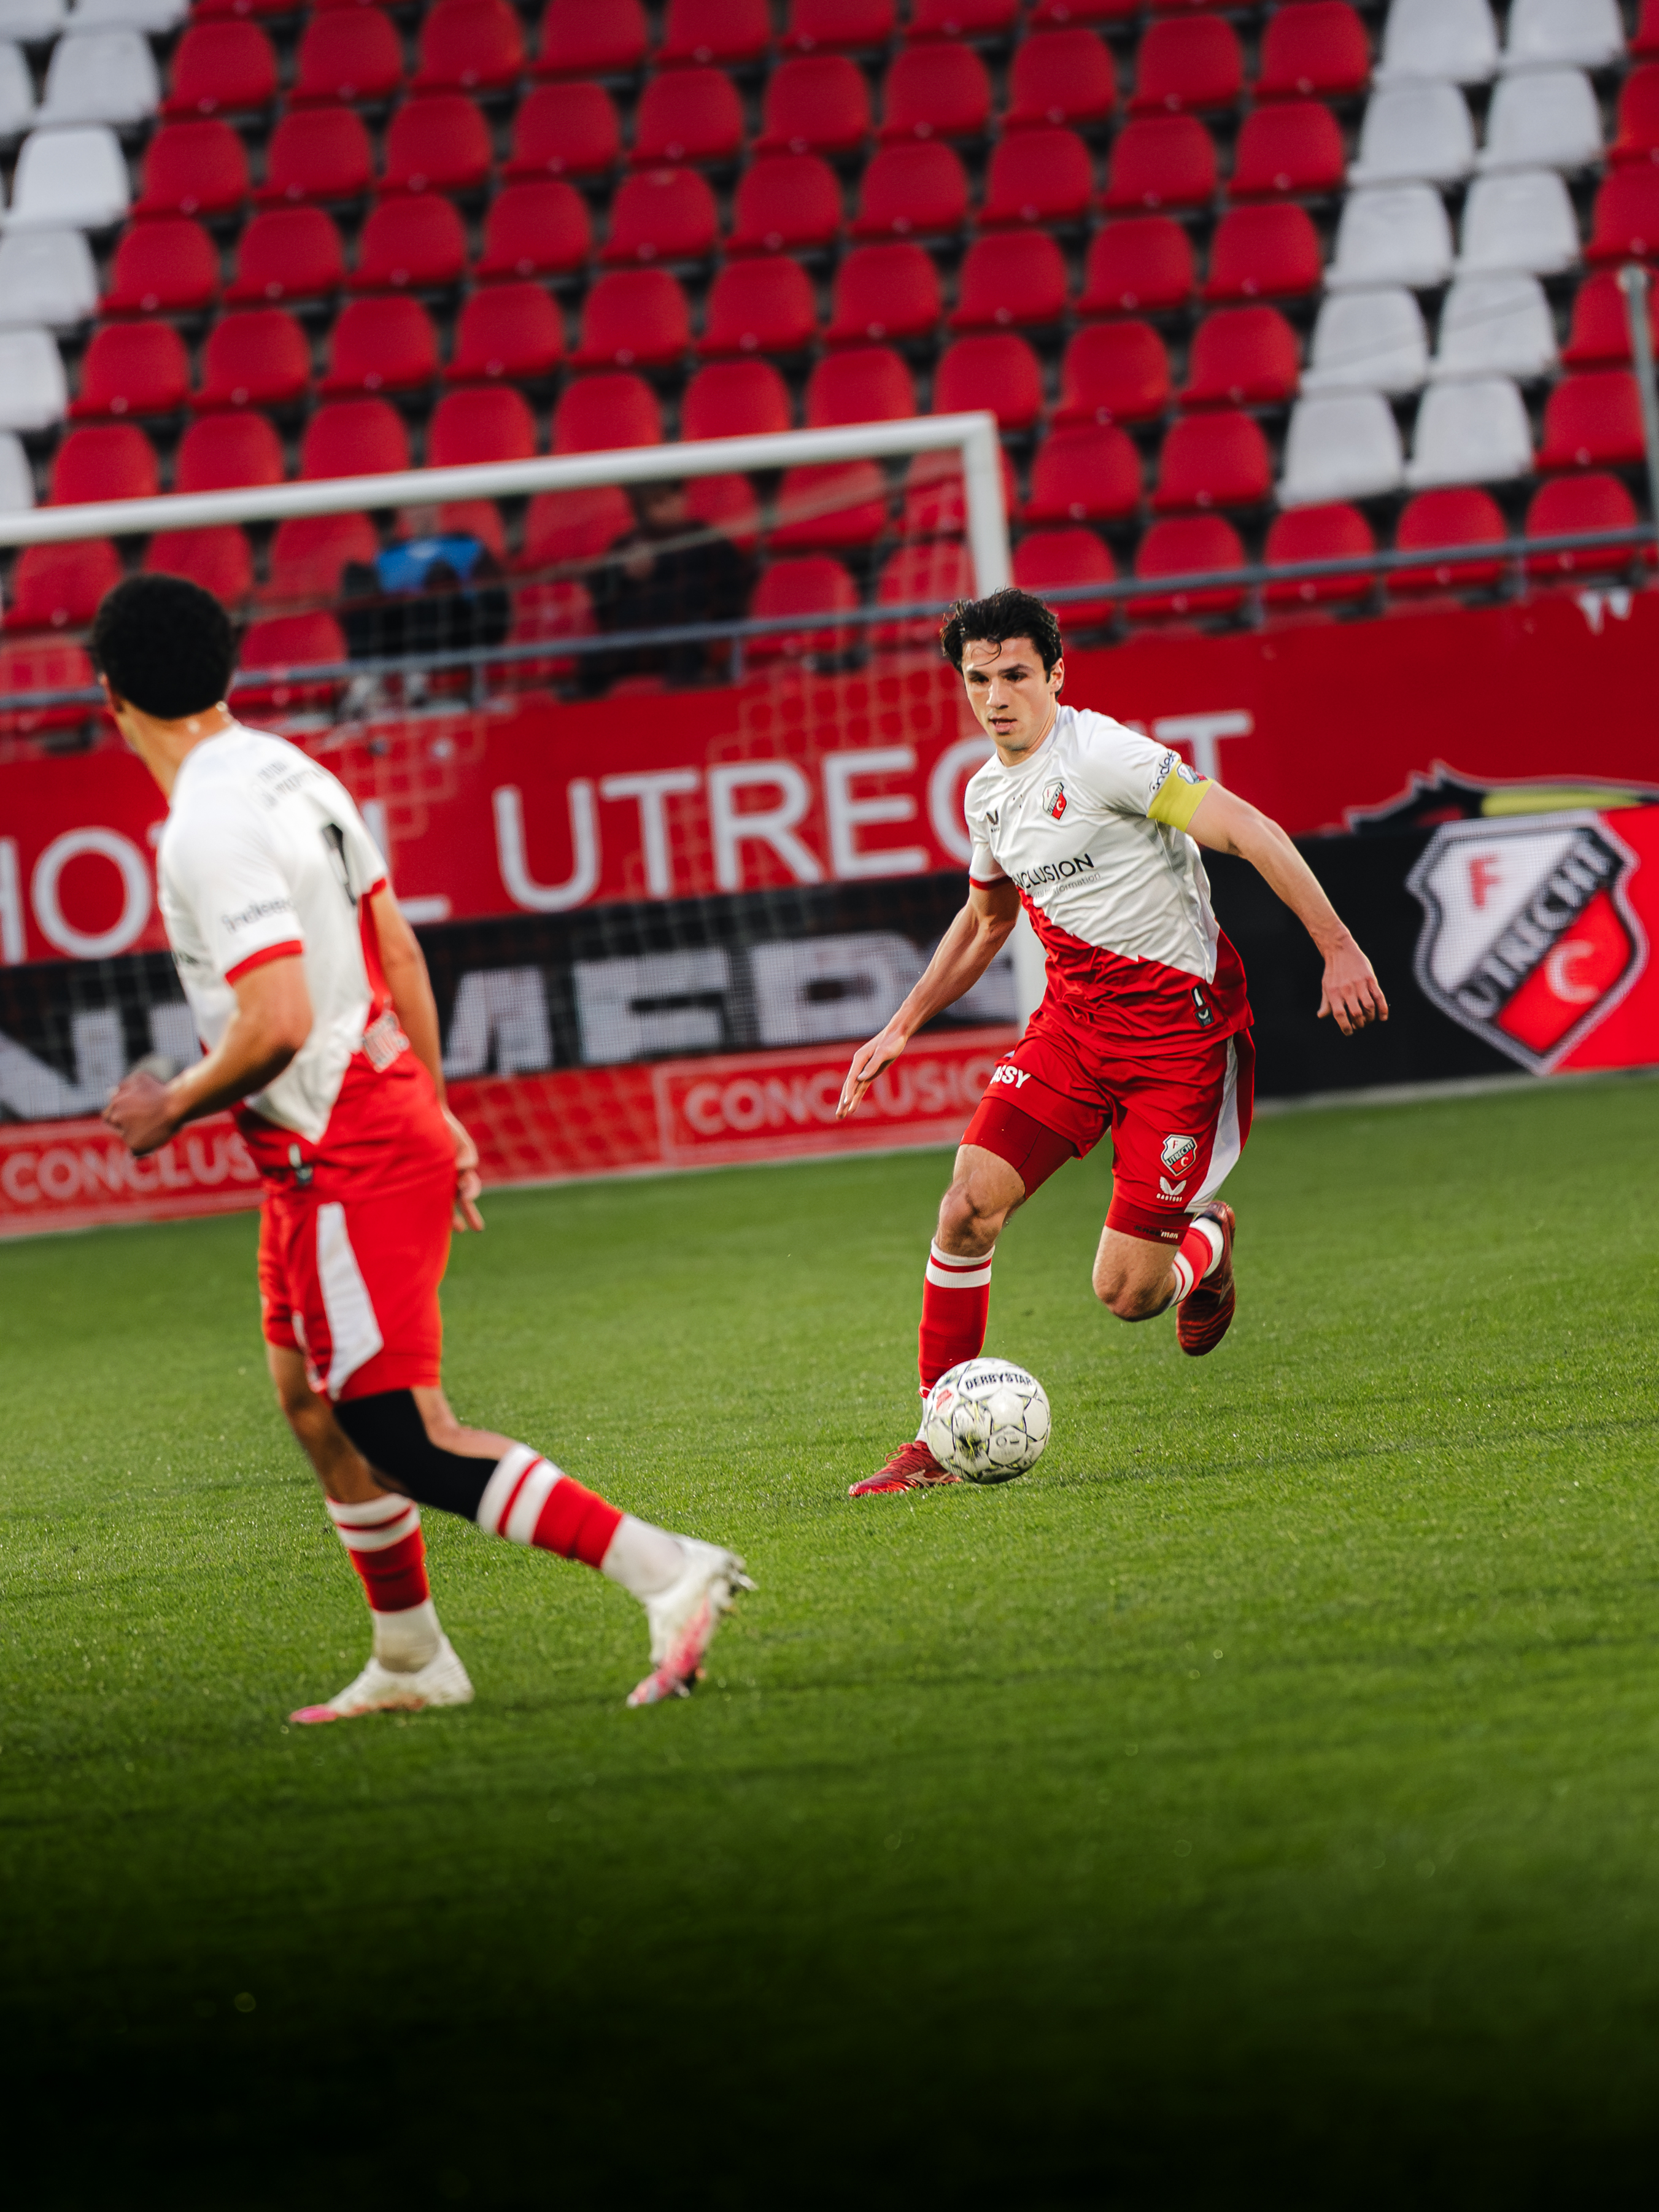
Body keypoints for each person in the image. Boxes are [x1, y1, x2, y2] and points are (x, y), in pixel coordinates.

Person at [95, 574, 752, 1713]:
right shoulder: (290, 766)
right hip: (348, 1122)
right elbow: (395, 946)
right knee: (309, 1395)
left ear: (110, 695)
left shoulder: (206, 818)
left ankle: (666, 1567)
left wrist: (175, 1103)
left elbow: (279, 1020)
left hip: (339, 1138)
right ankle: (411, 1656)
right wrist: (437, 1103)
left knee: (400, 1429)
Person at [835, 588, 1388, 1496]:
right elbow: (983, 923)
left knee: (1127, 1295)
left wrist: (1336, 947)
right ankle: (937, 1438)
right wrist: (900, 1025)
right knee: (965, 1207)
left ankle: (1204, 1240)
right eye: (978, 679)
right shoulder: (987, 796)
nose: (996, 695)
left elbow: (1244, 828)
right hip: (1071, 1031)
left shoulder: (1106, 757)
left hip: (1177, 1041)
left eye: (1015, 674)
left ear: (1055, 673)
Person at [588, 479, 749, 690]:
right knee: (593, 660)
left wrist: (708, 621)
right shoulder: (625, 547)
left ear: (682, 498)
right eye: (654, 503)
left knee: (686, 653)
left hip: (687, 636)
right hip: (633, 637)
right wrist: (622, 573)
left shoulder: (708, 540)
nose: (663, 508)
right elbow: (601, 602)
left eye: (667, 499)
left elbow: (734, 593)